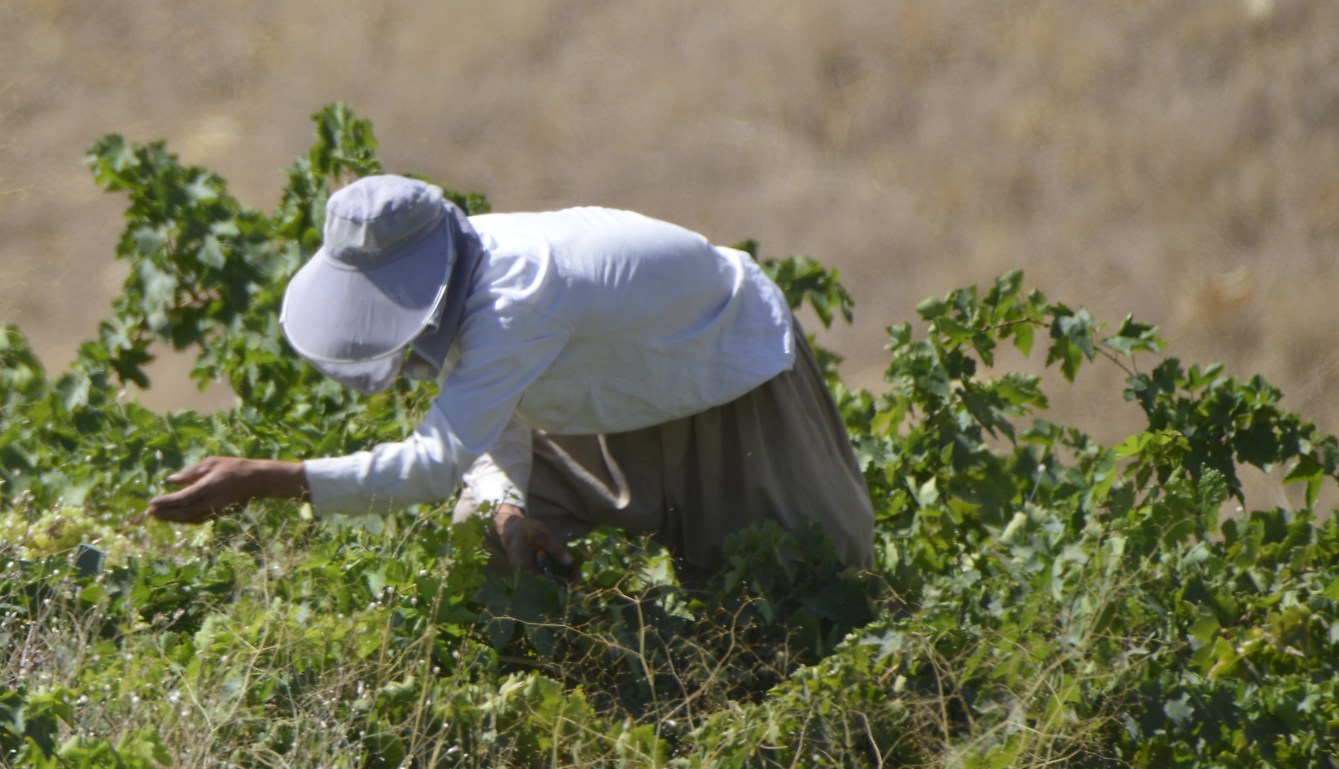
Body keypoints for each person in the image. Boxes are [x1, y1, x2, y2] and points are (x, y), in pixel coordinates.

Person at [144, 174, 874, 583]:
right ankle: (567, 696)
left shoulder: (518, 291)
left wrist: (265, 478)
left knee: (806, 586)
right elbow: (493, 410)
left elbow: (433, 464)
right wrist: (509, 510)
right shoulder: (464, 268)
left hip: (725, 371)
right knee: (489, 538)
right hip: (608, 388)